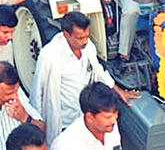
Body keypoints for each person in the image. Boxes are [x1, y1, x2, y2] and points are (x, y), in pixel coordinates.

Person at [31, 13, 134, 142]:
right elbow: (37, 91)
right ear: (66, 35)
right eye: (80, 38)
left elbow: (98, 71)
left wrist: (120, 92)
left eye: (86, 36)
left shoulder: (88, 47)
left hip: (85, 118)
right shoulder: (49, 55)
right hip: (64, 122)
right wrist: (37, 121)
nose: (85, 41)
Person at [49, 83, 124, 150]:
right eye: (108, 117)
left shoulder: (110, 127)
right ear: (89, 117)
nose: (114, 121)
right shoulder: (63, 148)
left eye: (116, 114)